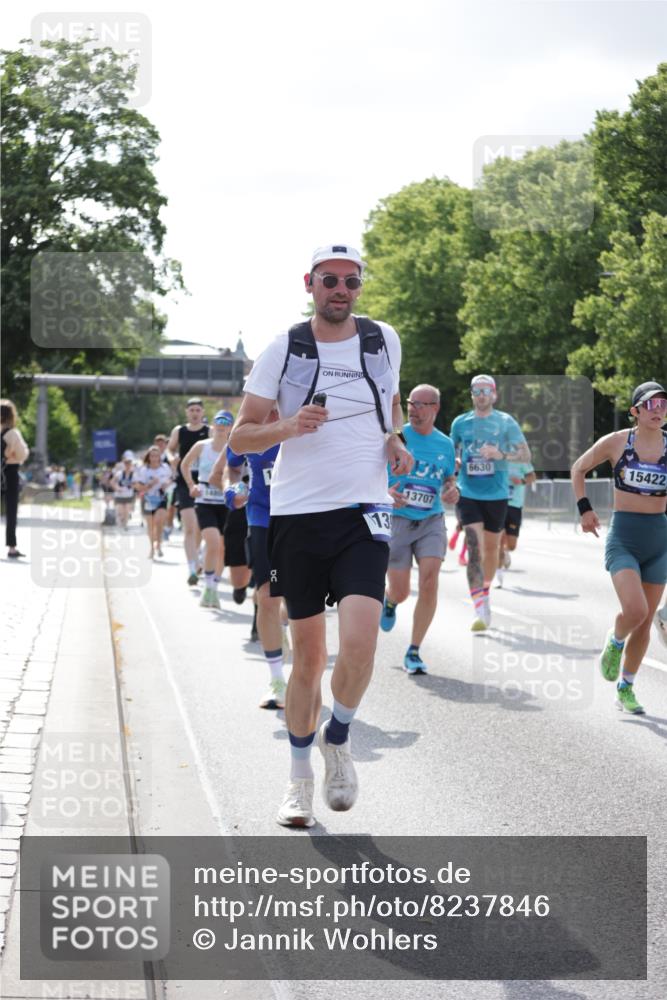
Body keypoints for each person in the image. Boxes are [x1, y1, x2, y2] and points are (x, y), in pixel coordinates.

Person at [228, 242, 412, 828]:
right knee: (308, 659)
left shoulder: (383, 339)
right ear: (309, 283)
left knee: (361, 642)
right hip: (297, 517)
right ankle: (298, 778)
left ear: (361, 286)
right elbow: (239, 438)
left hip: (364, 511)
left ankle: (340, 737)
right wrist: (287, 425)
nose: (341, 289)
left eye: (351, 281)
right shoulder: (283, 348)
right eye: (329, 280)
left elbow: (390, 404)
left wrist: (393, 440)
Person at [571, 381, 667, 715]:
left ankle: (626, 687)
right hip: (624, 537)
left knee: (643, 625)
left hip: (659, 540)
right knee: (637, 611)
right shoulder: (616, 442)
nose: (657, 410)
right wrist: (585, 508)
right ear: (635, 411)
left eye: (662, 404)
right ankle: (614, 641)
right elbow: (578, 468)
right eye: (650, 405)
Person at [379, 384, 458, 674]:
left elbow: (449, 478)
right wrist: (386, 492)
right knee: (400, 591)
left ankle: (414, 650)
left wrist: (452, 490)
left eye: (422, 404)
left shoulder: (445, 444)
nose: (414, 409)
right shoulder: (395, 439)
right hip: (397, 520)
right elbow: (370, 473)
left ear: (435, 408)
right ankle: (390, 601)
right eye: (411, 403)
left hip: (431, 520)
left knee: (429, 580)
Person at [450, 374, 530, 631]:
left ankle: (484, 591)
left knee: (492, 551)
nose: (482, 394)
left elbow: (524, 454)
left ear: (494, 395)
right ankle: (480, 607)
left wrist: (500, 454)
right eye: (477, 390)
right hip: (468, 492)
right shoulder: (460, 423)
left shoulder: (506, 422)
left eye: (486, 390)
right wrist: (454, 466)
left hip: (496, 494)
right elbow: (452, 454)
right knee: (474, 547)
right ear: (472, 394)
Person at [219, 408, 287, 707]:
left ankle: (300, 666)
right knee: (269, 595)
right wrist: (234, 487)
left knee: (298, 600)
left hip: (304, 521)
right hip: (263, 520)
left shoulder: (305, 416)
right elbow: (231, 467)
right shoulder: (248, 427)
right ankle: (276, 681)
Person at [180, 410, 235, 608]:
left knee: (222, 548)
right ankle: (208, 586)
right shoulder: (202, 446)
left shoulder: (234, 448)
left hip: (226, 504)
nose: (221, 425)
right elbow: (184, 465)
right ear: (212, 425)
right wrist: (191, 486)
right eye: (217, 421)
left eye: (225, 422)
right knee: (212, 542)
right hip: (205, 502)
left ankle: (213, 587)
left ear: (230, 427)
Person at [168, 399, 209, 585]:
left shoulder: (209, 431)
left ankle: (199, 556)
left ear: (202, 412)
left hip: (204, 483)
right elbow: (169, 449)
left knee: (201, 527)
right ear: (187, 412)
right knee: (190, 527)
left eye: (197, 410)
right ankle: (192, 567)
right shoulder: (179, 431)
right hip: (184, 482)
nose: (194, 413)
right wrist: (172, 459)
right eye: (191, 409)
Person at [496, 459, 537, 587]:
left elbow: (532, 476)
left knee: (512, 545)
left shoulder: (520, 460)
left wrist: (522, 481)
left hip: (515, 506)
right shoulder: (496, 459)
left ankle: (506, 552)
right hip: (497, 503)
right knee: (499, 540)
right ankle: (498, 576)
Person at [1, 399, 30, 559]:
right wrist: (10, 454)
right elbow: (22, 455)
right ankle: (11, 547)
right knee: (11, 511)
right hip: (10, 472)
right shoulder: (12, 433)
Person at [135, 445, 173, 559]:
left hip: (162, 498)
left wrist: (167, 484)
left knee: (159, 522)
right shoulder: (144, 470)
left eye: (157, 455)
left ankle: (159, 546)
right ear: (149, 457)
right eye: (152, 455)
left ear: (159, 457)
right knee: (151, 526)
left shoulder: (165, 467)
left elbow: (172, 478)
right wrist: (150, 484)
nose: (154, 458)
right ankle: (152, 548)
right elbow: (139, 487)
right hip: (148, 499)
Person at [112, 451, 138, 529]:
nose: (127, 465)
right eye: (126, 463)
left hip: (128, 495)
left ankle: (125, 524)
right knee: (120, 511)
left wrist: (132, 486)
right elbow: (113, 482)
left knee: (127, 510)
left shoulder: (134, 474)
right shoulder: (119, 473)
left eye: (129, 463)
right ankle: (121, 521)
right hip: (119, 495)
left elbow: (136, 484)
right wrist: (117, 488)